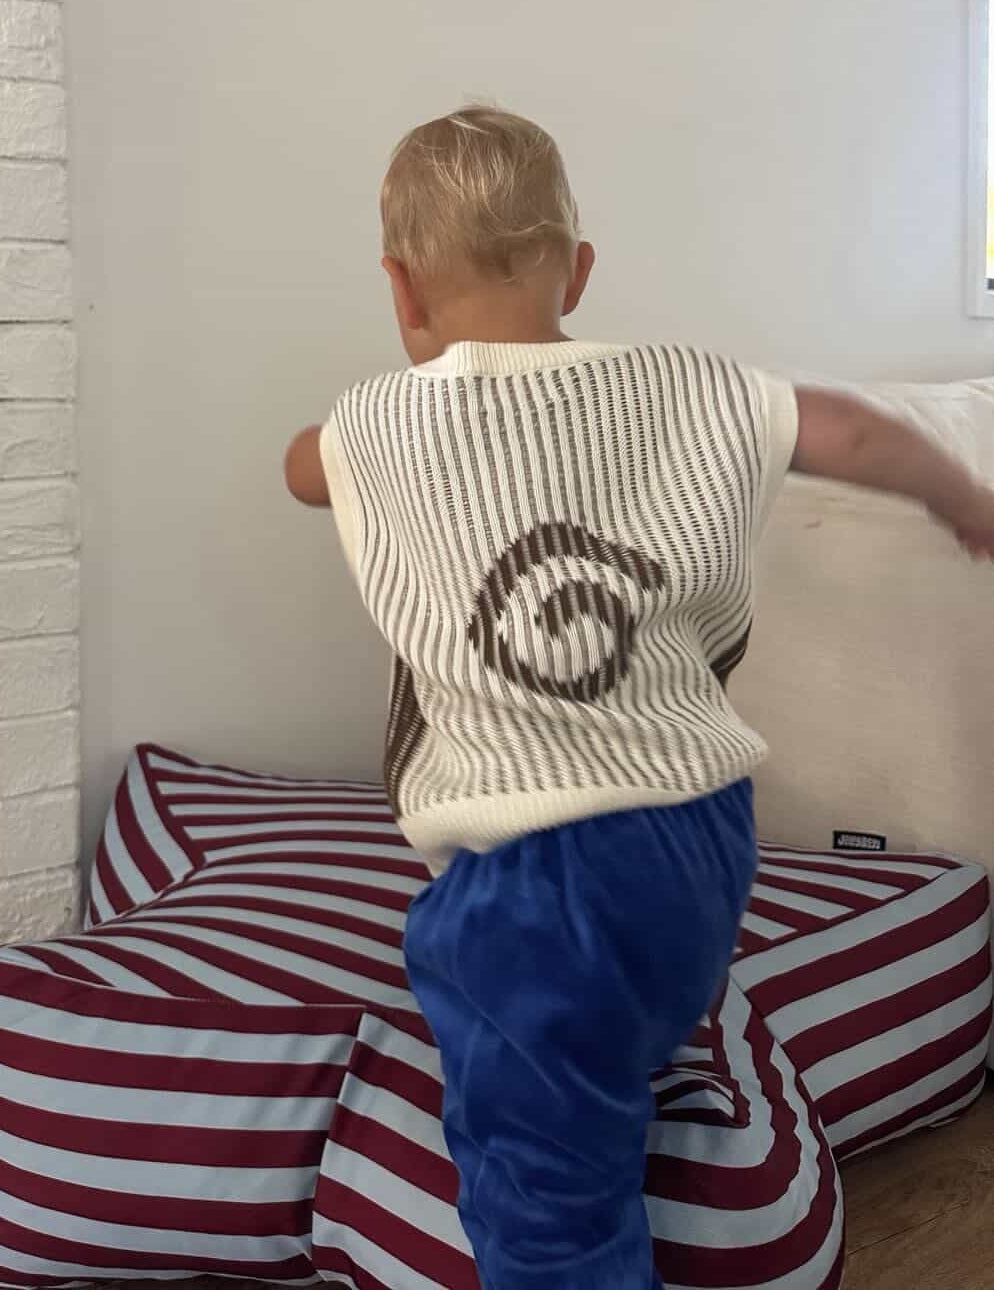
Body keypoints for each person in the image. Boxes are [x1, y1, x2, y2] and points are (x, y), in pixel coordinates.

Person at [284, 103, 994, 1290]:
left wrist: (325, 455)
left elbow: (300, 466)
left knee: (540, 1197)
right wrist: (964, 502)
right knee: (627, 1008)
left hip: (523, 881)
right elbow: (858, 436)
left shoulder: (377, 425)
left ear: (400, 291)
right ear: (581, 269)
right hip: (701, 837)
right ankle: (636, 1042)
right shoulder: (697, 388)